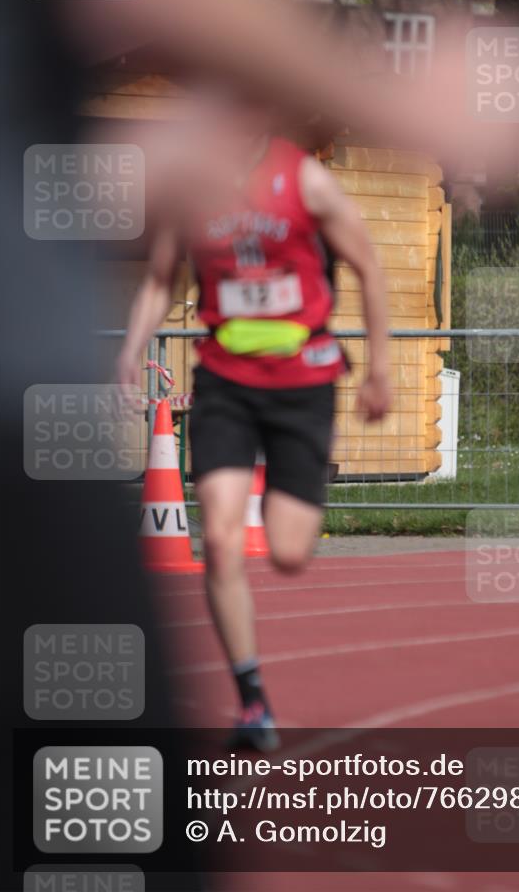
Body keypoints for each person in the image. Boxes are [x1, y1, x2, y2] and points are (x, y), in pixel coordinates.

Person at [117, 95, 391, 749]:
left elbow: (369, 265)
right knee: (218, 536)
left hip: (303, 381)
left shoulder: (303, 179)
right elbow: (161, 279)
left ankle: (283, 494)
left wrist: (379, 366)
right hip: (225, 381)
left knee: (289, 552)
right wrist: (129, 350)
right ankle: (252, 703)